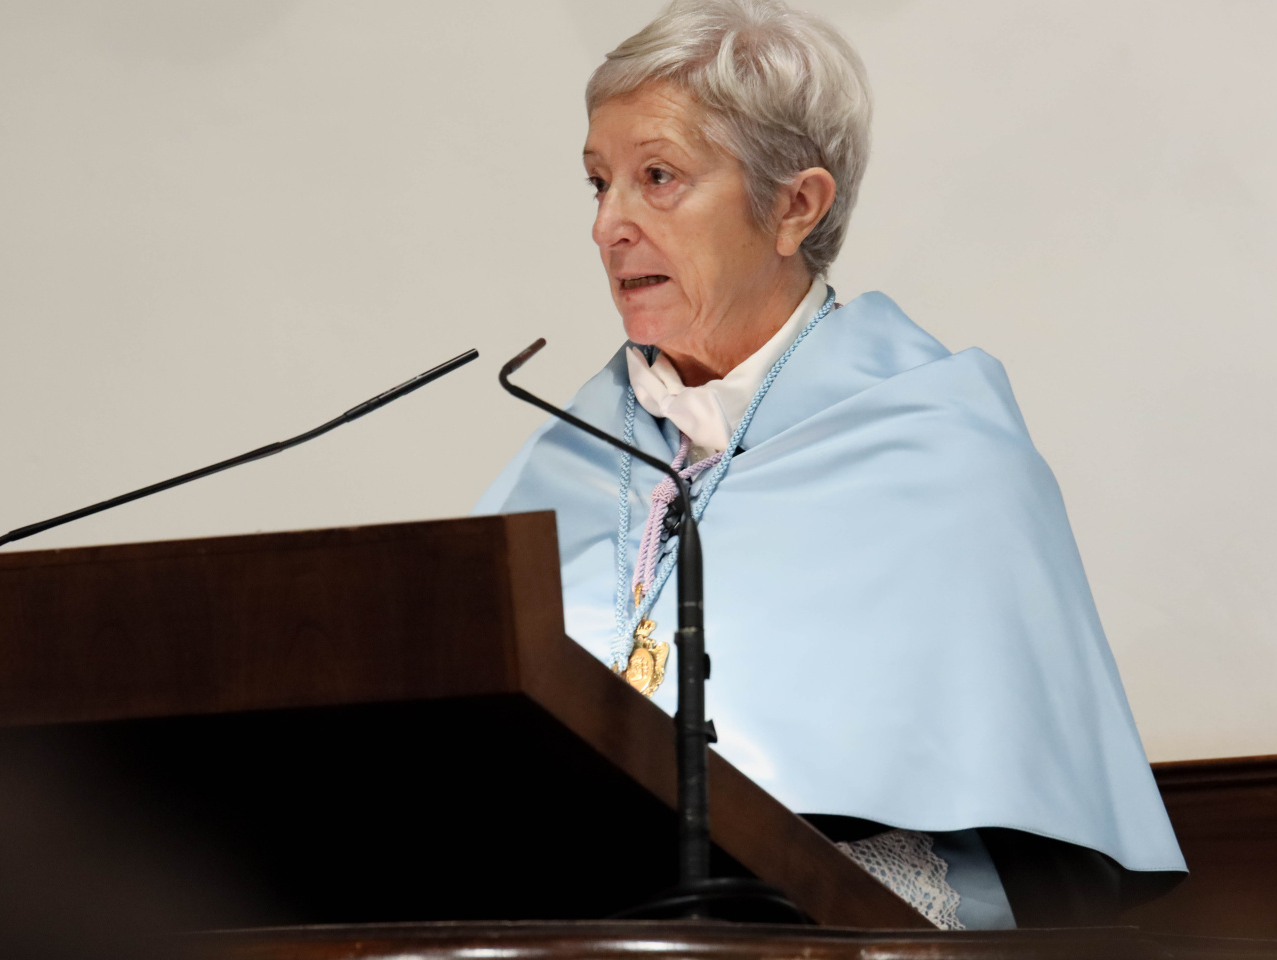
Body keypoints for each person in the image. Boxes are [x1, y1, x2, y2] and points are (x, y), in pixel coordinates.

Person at [475, 0, 1184, 932]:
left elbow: (1013, 841)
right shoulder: (569, 450)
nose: (610, 224)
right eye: (598, 182)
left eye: (658, 178)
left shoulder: (937, 440)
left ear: (794, 207)